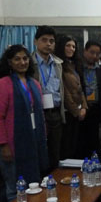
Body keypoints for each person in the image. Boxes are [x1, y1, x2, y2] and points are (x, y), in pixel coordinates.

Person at [0, 45, 48, 202]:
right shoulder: (2, 84)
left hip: (32, 142)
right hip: (10, 144)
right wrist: (3, 145)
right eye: (17, 59)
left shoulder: (34, 84)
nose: (22, 62)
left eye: (25, 58)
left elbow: (39, 113)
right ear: (9, 62)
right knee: (15, 187)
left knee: (34, 184)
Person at [31, 26, 65, 170]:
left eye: (51, 41)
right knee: (37, 152)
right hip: (37, 114)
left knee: (54, 153)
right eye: (44, 40)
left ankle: (53, 186)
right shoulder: (29, 63)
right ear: (35, 41)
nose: (48, 44)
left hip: (55, 113)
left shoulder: (58, 63)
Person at [55, 35, 88, 159]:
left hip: (78, 111)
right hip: (68, 113)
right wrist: (76, 111)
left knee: (75, 146)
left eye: (73, 46)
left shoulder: (74, 64)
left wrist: (84, 107)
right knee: (66, 147)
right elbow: (65, 92)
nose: (71, 49)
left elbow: (81, 89)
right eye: (68, 45)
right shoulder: (59, 66)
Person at [79, 40, 101, 158]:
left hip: (96, 107)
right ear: (85, 52)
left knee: (96, 140)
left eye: (97, 53)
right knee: (81, 140)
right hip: (82, 108)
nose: (94, 56)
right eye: (91, 52)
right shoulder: (78, 68)